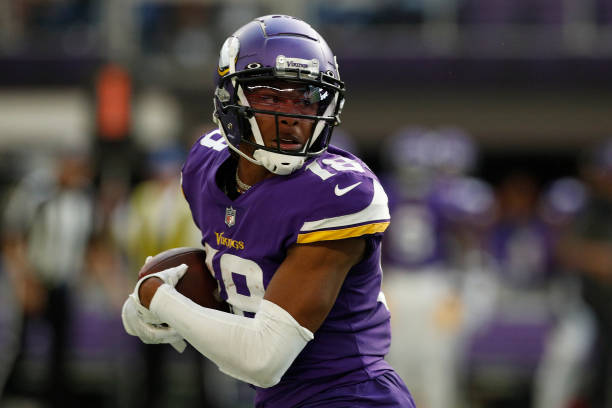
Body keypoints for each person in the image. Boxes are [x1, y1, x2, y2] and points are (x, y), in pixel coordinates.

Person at [121, 14, 415, 408]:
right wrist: (159, 299)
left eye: (305, 98)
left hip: (349, 395)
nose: (291, 114)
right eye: (272, 97)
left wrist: (158, 298)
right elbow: (234, 277)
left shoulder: (338, 192)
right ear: (230, 100)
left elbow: (263, 359)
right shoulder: (204, 164)